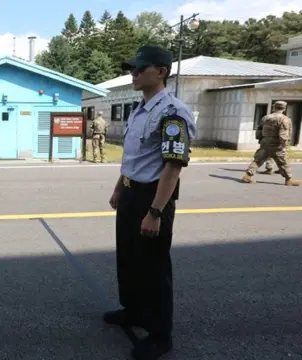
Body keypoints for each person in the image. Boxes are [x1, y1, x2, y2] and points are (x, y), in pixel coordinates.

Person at [106, 44, 197, 360]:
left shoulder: (172, 113)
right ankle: (134, 311)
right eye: (132, 68)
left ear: (160, 71)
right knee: (129, 258)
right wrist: (119, 188)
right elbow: (133, 158)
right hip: (132, 193)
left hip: (153, 197)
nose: (133, 73)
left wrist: (156, 212)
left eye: (139, 68)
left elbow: (172, 166)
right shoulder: (139, 109)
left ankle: (160, 334)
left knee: (154, 267)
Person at [242, 101, 300, 186]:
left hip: (265, 142)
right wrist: (284, 145)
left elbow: (259, 130)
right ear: (284, 109)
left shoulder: (266, 117)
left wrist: (261, 139)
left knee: (258, 159)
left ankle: (248, 176)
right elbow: (283, 134)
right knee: (283, 161)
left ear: (274, 108)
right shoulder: (284, 119)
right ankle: (289, 179)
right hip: (276, 144)